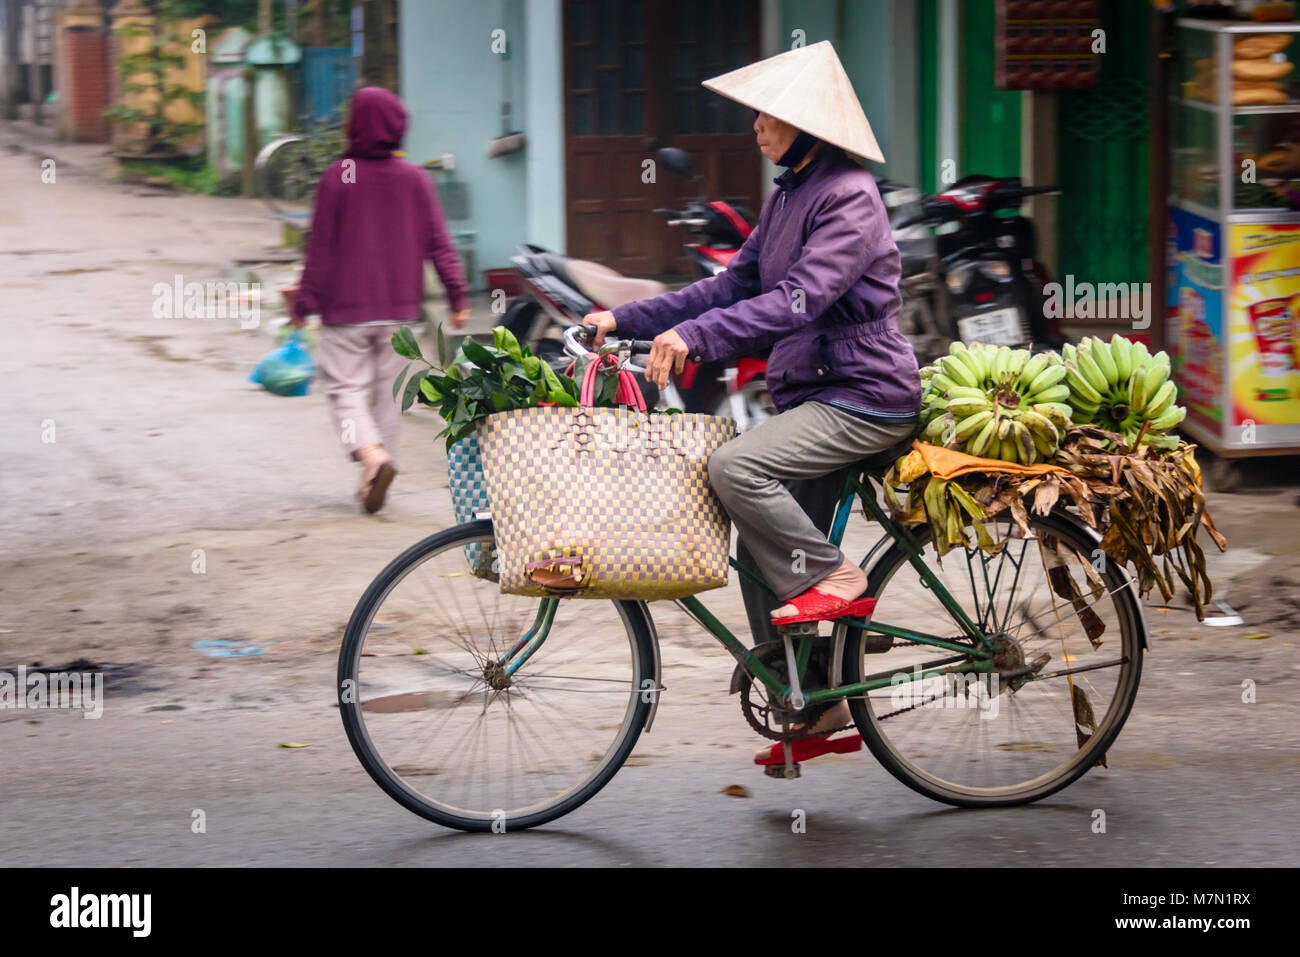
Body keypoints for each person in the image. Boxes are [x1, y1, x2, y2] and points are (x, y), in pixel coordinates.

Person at [585, 42, 922, 765]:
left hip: (864, 395)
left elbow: (797, 299)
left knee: (736, 468)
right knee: (753, 542)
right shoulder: (789, 195)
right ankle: (810, 701)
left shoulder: (850, 199)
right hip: (818, 391)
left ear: (805, 125)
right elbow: (728, 290)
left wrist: (695, 338)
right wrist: (630, 318)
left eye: (768, 114)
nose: (756, 127)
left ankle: (836, 576)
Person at [291, 86, 470, 514]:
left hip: (346, 312)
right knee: (389, 396)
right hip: (400, 311)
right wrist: (457, 296)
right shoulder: (415, 179)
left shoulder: (341, 175)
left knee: (346, 390)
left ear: (354, 123)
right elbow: (440, 245)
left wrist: (303, 302)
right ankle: (375, 467)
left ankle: (372, 458)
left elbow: (320, 249)